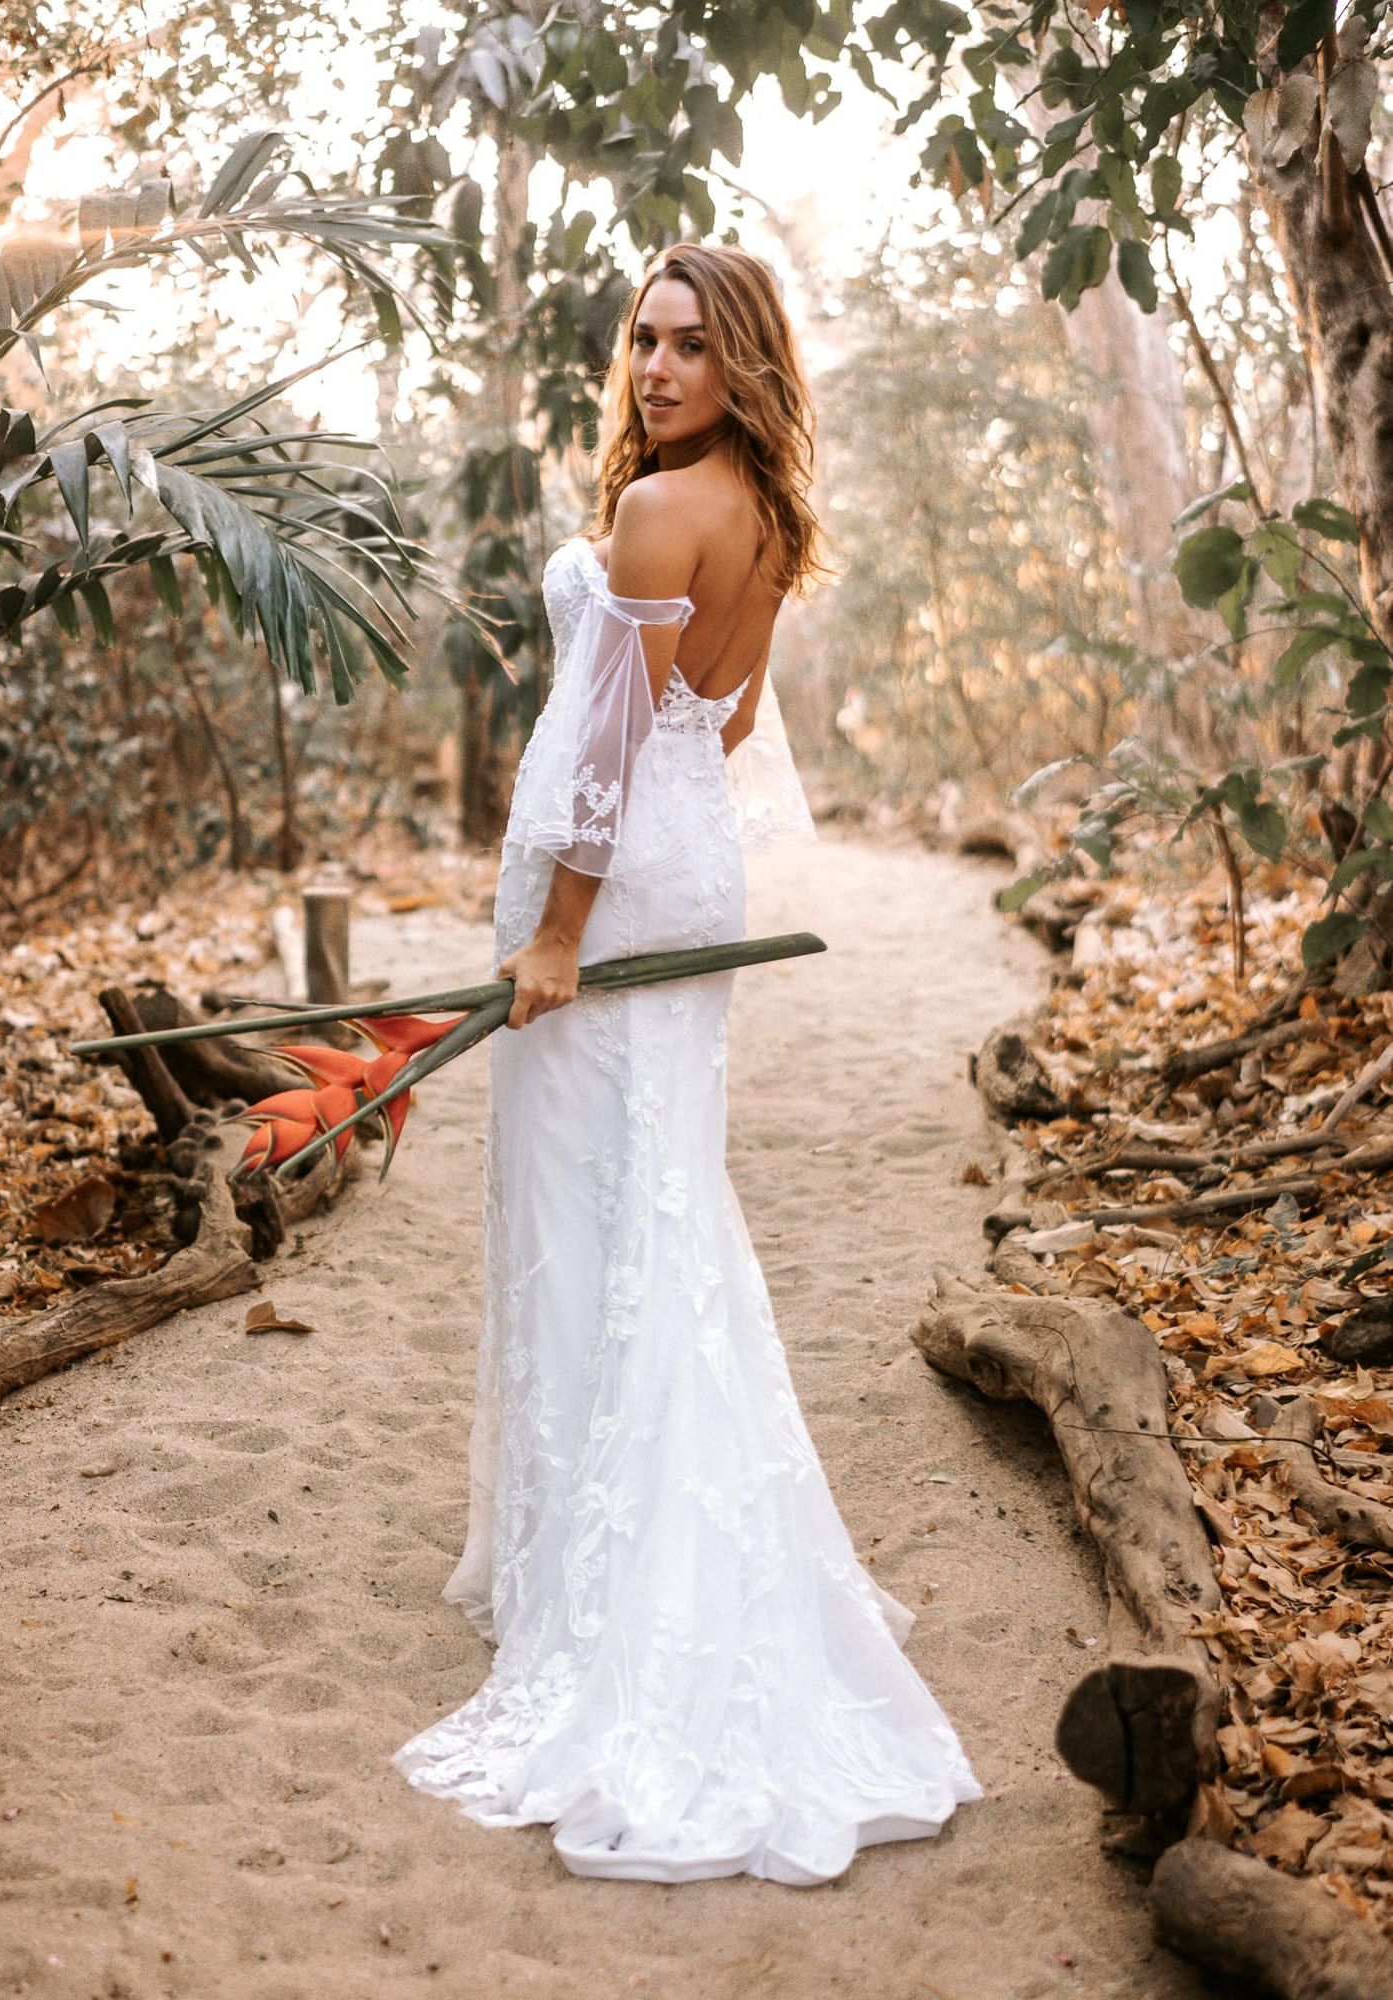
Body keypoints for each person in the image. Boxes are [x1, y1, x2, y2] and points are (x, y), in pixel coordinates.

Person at [391, 243, 982, 1884]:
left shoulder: (661, 513)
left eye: (689, 346)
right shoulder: (763, 512)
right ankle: (615, 1531)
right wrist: (633, 808)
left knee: (599, 1202)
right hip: (683, 856)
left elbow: (597, 748)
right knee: (652, 1196)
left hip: (607, 885)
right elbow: (713, 728)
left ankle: (611, 1572)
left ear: (741, 362)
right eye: (640, 341)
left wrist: (557, 931)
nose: (654, 368)